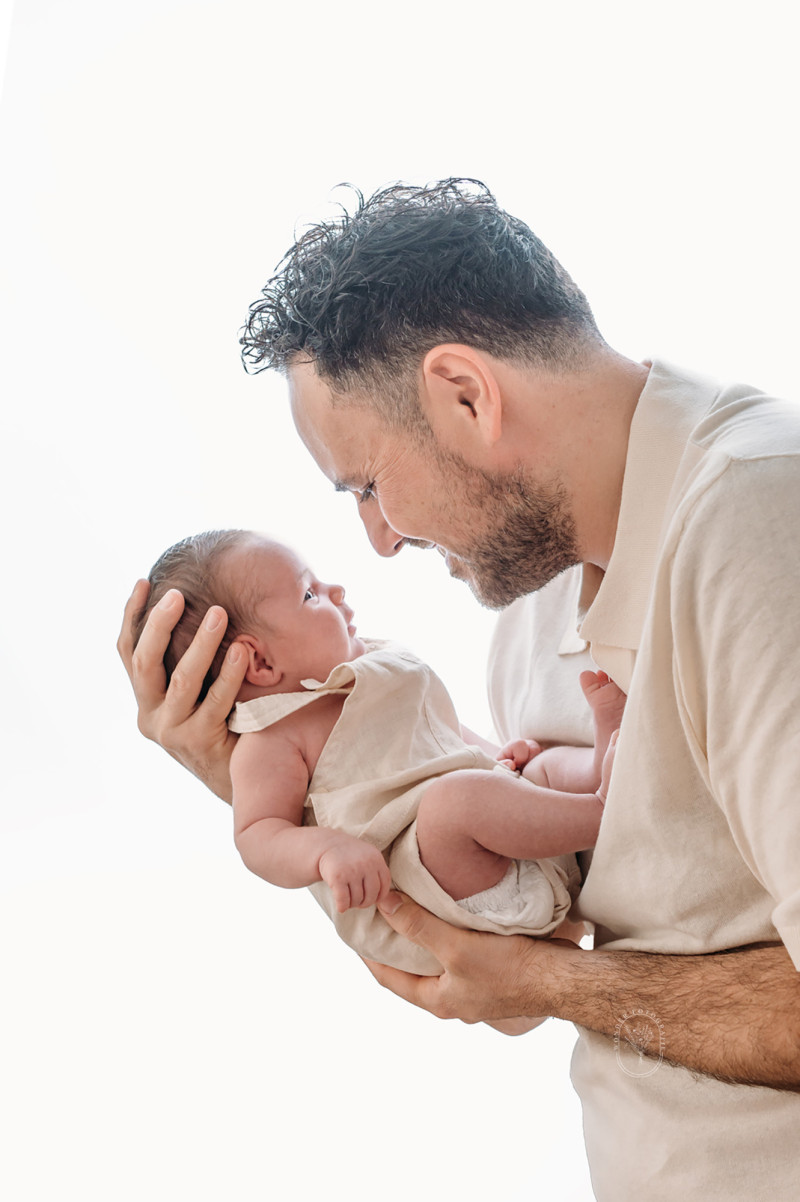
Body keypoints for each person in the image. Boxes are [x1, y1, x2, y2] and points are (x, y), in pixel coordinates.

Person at [118, 180, 800, 1200]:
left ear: (465, 395)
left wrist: (547, 982)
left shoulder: (757, 529)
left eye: (362, 483)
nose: (378, 539)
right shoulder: (533, 607)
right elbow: (509, 957)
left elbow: (543, 982)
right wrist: (290, 775)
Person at [131, 528, 622, 986]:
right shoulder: (271, 739)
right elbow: (258, 836)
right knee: (454, 804)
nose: (336, 591)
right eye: (309, 594)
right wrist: (326, 851)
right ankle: (606, 813)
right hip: (438, 888)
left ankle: (605, 764)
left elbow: (438, 732)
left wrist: (501, 758)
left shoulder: (371, 667)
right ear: (258, 662)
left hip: (497, 835)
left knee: (540, 766)